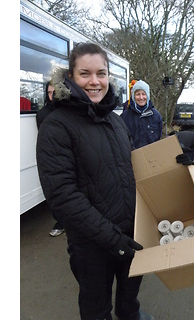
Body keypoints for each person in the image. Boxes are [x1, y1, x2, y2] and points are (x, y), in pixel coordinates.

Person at [36, 42, 153, 320]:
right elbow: (63, 197)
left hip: (130, 232)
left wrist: (174, 160)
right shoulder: (56, 126)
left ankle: (130, 315)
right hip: (92, 244)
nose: (94, 81)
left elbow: (133, 164)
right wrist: (112, 239)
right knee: (96, 307)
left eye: (101, 73)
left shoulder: (115, 121)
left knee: (129, 293)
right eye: (85, 74)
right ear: (71, 77)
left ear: (108, 76)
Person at [36, 82, 65, 237]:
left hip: (68, 154)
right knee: (54, 189)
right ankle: (60, 222)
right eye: (49, 92)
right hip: (52, 156)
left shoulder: (67, 110)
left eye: (56, 92)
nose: (53, 95)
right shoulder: (42, 114)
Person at [120, 80, 163, 149]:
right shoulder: (125, 116)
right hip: (131, 157)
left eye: (143, 94)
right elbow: (121, 140)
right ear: (133, 96)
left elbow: (159, 138)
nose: (141, 97)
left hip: (151, 156)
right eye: (138, 94)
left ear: (148, 95)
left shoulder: (156, 116)